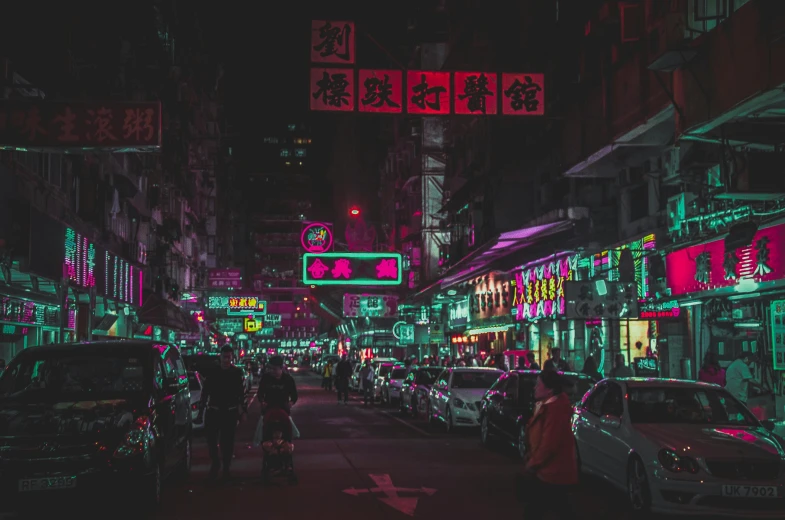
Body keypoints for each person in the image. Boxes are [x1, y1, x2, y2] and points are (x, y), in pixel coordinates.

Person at [520, 370, 578, 519]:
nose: (534, 387)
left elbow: (549, 444)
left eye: (538, 385)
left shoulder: (555, 410)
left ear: (549, 390)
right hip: (549, 473)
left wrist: (533, 463)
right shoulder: (546, 406)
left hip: (553, 473)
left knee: (537, 510)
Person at [199, 344, 246, 481]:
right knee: (211, 441)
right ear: (220, 356)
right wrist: (201, 410)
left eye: (228, 357)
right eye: (224, 357)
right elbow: (205, 392)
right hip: (214, 411)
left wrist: (243, 411)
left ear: (232, 358)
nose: (226, 360)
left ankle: (225, 467)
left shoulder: (236, 373)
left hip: (229, 412)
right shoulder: (213, 372)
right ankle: (215, 463)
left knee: (227, 442)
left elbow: (241, 394)